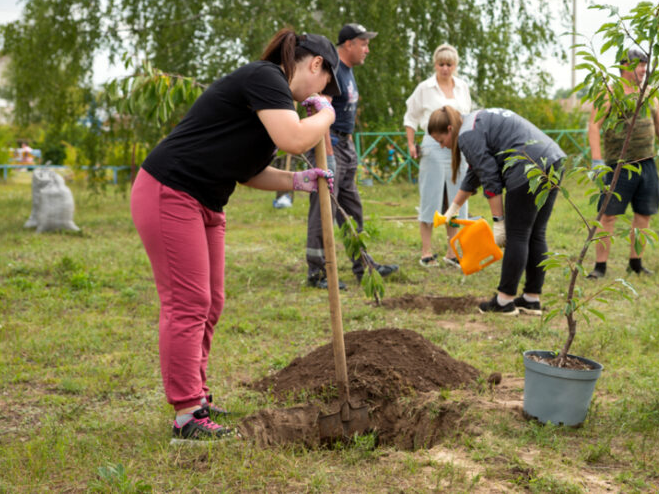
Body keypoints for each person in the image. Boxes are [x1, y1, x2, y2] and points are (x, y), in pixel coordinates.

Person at [131, 29, 339, 441]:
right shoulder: (267, 78)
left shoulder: (273, 99)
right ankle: (186, 415)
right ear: (316, 65)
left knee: (211, 301)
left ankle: (198, 397)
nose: (321, 91)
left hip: (208, 201)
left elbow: (246, 171)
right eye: (326, 83)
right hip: (171, 190)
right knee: (188, 302)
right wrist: (327, 113)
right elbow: (294, 137)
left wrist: (297, 180)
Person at [429, 106, 565, 315]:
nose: (443, 146)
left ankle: (504, 301)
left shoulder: (466, 134)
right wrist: (453, 209)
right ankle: (531, 298)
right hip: (552, 160)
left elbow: (490, 178)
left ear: (449, 129)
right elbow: (477, 171)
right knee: (537, 233)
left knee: (517, 234)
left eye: (441, 141)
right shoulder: (475, 121)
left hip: (527, 166)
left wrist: (499, 221)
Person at [305, 23, 398, 289]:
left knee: (351, 206)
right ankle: (317, 272)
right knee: (323, 207)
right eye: (363, 43)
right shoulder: (333, 70)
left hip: (344, 143)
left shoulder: (348, 71)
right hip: (328, 143)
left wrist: (348, 143)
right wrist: (329, 155)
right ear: (348, 44)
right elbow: (320, 111)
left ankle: (363, 265)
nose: (367, 49)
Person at [586, 48, 659, 280]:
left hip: (646, 164)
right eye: (640, 67)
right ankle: (600, 267)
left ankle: (636, 263)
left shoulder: (648, 93)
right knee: (607, 216)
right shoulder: (609, 93)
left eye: (646, 68)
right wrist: (596, 160)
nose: (644, 72)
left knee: (643, 214)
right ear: (626, 67)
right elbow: (594, 126)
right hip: (619, 166)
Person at [403, 43, 474, 268]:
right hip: (432, 147)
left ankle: (453, 252)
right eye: (441, 64)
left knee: (457, 198)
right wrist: (411, 143)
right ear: (435, 65)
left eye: (449, 64)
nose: (445, 68)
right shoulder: (425, 88)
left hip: (458, 148)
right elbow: (410, 117)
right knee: (431, 197)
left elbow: (468, 116)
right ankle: (426, 251)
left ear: (455, 66)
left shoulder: (462, 87)